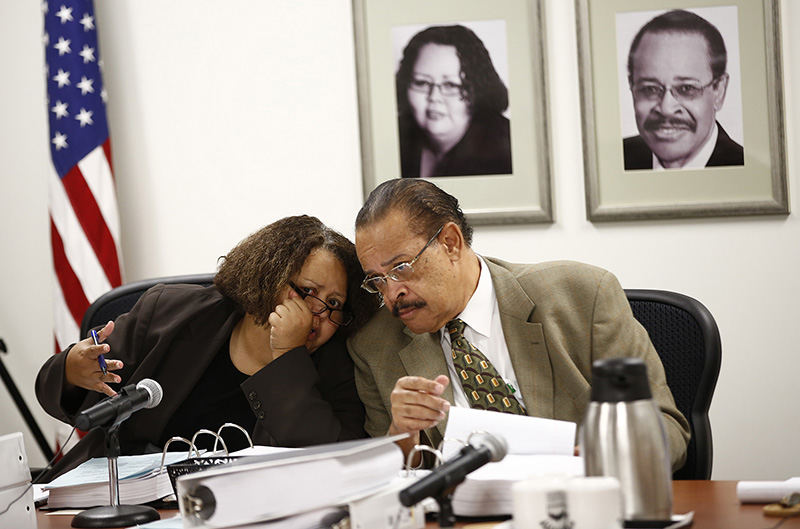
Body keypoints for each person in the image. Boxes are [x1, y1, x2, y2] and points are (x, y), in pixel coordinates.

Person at [347, 179, 690, 470]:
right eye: (377, 280)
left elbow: (666, 430)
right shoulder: (376, 347)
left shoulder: (582, 297)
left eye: (401, 268)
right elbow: (383, 480)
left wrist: (598, 458)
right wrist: (402, 433)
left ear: (450, 243)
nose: (392, 294)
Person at [36, 215, 378, 479]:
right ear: (268, 275)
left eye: (334, 303)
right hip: (131, 505)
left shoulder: (339, 362)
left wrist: (288, 356)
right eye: (307, 292)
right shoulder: (169, 314)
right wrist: (70, 371)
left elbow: (333, 462)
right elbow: (61, 398)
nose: (319, 314)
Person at [623, 9, 744, 170]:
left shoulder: (748, 172)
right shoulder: (615, 163)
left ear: (719, 91)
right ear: (632, 87)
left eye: (687, 89)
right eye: (650, 89)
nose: (666, 109)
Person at [396, 24, 512, 178]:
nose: (434, 97)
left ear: (477, 90)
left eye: (451, 85)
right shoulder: (396, 136)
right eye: (421, 82)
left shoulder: (507, 151)